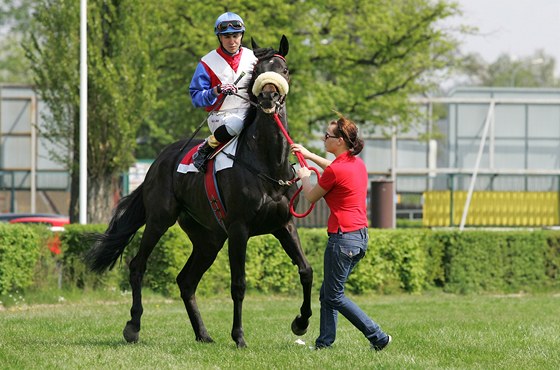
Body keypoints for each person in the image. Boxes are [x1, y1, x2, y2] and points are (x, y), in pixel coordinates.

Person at [291, 115, 392, 351]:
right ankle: (324, 344)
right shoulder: (356, 164)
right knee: (328, 293)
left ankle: (378, 336)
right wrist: (308, 155)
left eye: (327, 135)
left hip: (342, 238)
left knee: (334, 295)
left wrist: (304, 177)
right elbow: (333, 168)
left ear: (340, 141)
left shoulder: (336, 171)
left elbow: (311, 196)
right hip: (358, 238)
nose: (323, 138)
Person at [189, 12, 257, 172]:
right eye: (227, 36)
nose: (232, 41)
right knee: (237, 123)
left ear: (242, 35)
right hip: (221, 117)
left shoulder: (254, 58)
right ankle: (205, 148)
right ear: (219, 37)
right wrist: (216, 90)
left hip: (251, 112)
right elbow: (196, 98)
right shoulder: (207, 62)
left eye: (236, 35)